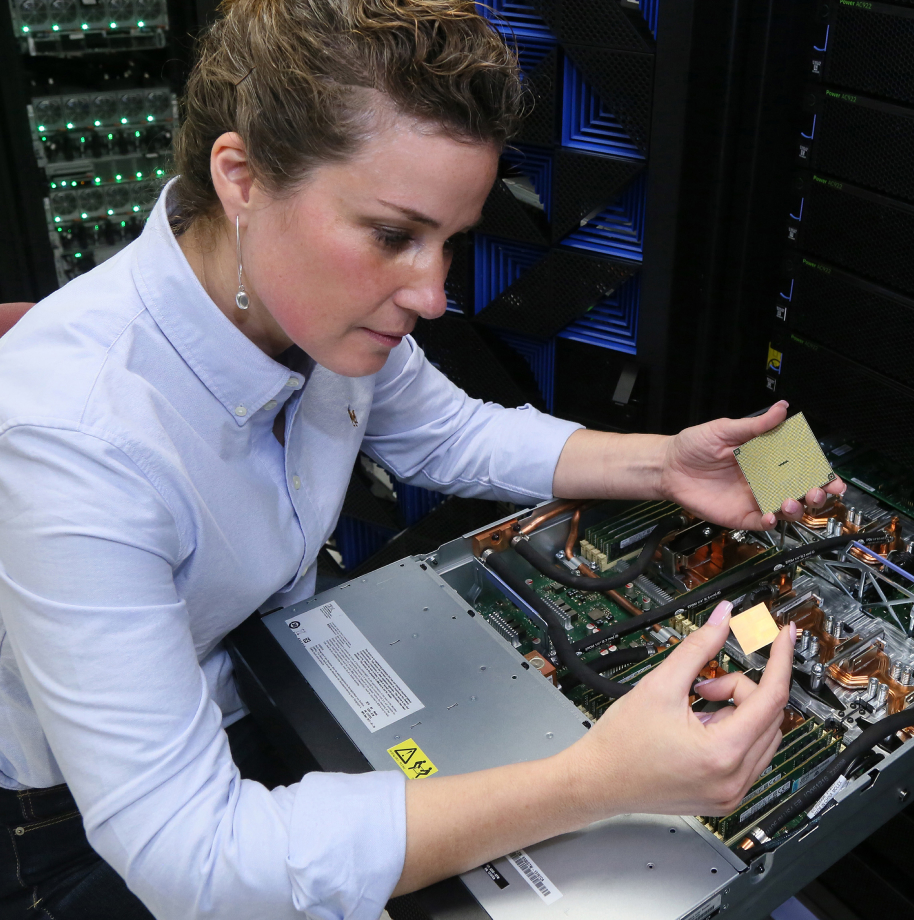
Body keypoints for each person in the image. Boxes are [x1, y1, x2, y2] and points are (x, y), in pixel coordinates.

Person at [0, 1, 845, 917]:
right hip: (79, 836)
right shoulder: (70, 438)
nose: (435, 295)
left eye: (451, 242)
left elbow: (453, 431)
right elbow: (196, 861)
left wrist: (664, 463)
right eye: (395, 236)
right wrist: (598, 780)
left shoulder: (312, 306)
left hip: (275, 689)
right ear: (241, 176)